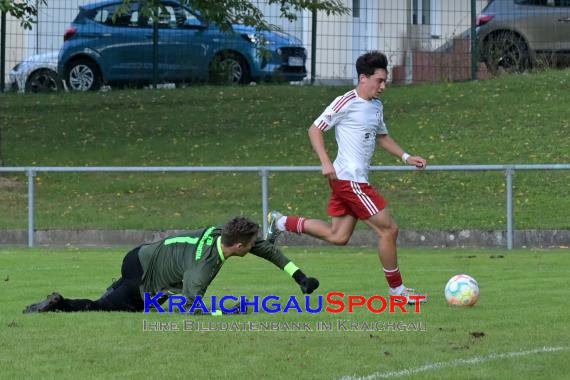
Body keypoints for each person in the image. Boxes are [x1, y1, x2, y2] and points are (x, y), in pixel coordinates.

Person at [265, 51, 427, 304]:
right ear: (363, 78)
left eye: (385, 81)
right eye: (379, 80)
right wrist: (325, 162)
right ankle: (397, 291)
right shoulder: (345, 101)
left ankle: (281, 222)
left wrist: (406, 156)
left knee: (338, 236)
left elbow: (382, 136)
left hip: (352, 180)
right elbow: (315, 129)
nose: (383, 86)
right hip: (349, 180)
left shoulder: (376, 106)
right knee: (389, 229)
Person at [24, 216, 319, 314]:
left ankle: (114, 291)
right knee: (109, 308)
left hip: (142, 254)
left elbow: (266, 250)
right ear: (239, 247)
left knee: (143, 299)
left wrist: (300, 277)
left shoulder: (220, 232)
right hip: (143, 272)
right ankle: (59, 303)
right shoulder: (201, 270)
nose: (255, 246)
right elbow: (192, 306)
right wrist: (229, 310)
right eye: (251, 244)